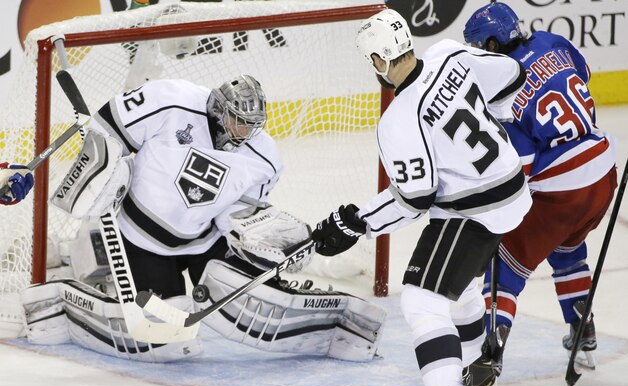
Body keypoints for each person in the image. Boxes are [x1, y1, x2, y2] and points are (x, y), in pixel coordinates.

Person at [19, 75, 385, 363]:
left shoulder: (264, 159)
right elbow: (107, 126)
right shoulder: (170, 100)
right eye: (237, 121)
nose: (243, 132)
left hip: (205, 243)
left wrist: (268, 240)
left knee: (246, 303)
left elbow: (239, 215)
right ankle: (75, 299)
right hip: (140, 241)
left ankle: (326, 318)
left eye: (251, 125)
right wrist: (108, 164)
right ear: (218, 108)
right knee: (169, 337)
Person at [311, 9, 531, 386]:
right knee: (462, 288)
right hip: (514, 190)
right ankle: (477, 375)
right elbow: (513, 73)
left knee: (420, 300)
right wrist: (499, 124)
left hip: (474, 209)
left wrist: (357, 223)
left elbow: (415, 200)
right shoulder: (450, 54)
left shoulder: (398, 120)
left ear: (378, 60)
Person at [463, 2, 617, 386]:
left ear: (494, 43)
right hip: (603, 168)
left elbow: (523, 163)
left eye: (481, 48)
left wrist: (500, 206)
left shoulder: (500, 85)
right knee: (567, 248)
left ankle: (489, 356)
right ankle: (582, 328)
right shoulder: (553, 42)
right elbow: (580, 77)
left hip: (563, 184)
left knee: (505, 262)